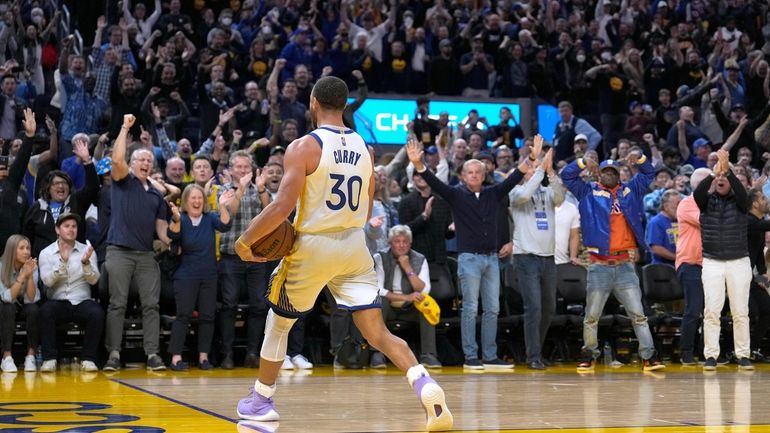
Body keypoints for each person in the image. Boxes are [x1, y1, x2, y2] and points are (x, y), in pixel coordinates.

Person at [233, 76, 452, 432]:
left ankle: (261, 400)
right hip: (353, 245)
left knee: (279, 324)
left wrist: (245, 241)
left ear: (314, 103)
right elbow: (366, 212)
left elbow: (281, 206)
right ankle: (425, 383)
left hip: (312, 244)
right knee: (377, 333)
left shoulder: (304, 146)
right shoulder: (366, 150)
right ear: (346, 104)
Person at [406, 134, 542, 371]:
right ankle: (470, 357)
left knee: (493, 308)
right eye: (470, 172)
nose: (475, 176)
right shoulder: (456, 194)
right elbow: (434, 182)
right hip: (468, 259)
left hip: (491, 258)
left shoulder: (493, 193)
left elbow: (515, 178)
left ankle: (489, 356)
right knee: (470, 307)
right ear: (462, 176)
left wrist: (532, 157)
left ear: (484, 175)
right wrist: (419, 164)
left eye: (478, 172)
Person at [561, 152, 665, 372]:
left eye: (613, 172)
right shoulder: (588, 191)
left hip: (624, 264)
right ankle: (589, 354)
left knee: (638, 315)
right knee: (591, 316)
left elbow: (648, 173)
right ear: (599, 173)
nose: (609, 175)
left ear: (619, 174)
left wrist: (640, 159)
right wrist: (581, 162)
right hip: (599, 265)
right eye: (605, 171)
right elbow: (567, 176)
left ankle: (649, 356)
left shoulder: (630, 191)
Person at [103, 114, 170, 372]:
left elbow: (162, 231)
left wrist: (176, 239)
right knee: (117, 303)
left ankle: (152, 354)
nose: (145, 163)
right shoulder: (123, 180)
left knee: (151, 304)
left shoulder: (155, 193)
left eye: (149, 161)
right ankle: (114, 354)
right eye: (141, 159)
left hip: (145, 254)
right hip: (119, 250)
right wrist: (124, 127)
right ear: (132, 164)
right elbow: (116, 159)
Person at [696, 149, 753, 371]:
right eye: (718, 177)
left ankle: (743, 354)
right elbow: (697, 193)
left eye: (724, 177)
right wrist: (714, 171)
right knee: (711, 310)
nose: (721, 179)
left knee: (740, 311)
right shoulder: (705, 202)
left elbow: (743, 195)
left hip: (739, 261)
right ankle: (711, 355)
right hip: (712, 262)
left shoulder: (741, 203)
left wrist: (727, 170)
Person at [166, 184, 234, 371]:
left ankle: (203, 357)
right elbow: (171, 233)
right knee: (183, 315)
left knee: (207, 316)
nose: (196, 201)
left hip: (209, 275)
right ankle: (176, 358)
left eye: (199, 198)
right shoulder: (182, 219)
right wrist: (176, 218)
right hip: (186, 275)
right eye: (192, 198)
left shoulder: (210, 218)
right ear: (186, 201)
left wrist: (221, 205)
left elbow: (226, 225)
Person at [509, 147, 564, 370]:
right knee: (534, 307)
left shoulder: (546, 191)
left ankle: (536, 351)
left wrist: (550, 173)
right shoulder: (515, 192)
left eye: (537, 167)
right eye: (531, 167)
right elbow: (524, 196)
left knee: (549, 307)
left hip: (548, 258)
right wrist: (541, 170)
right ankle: (533, 356)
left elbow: (560, 197)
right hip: (525, 258)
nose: (535, 170)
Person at [37, 213, 102, 373]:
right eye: (67, 226)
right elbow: (47, 281)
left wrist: (86, 263)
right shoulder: (46, 253)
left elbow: (94, 280)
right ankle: (49, 359)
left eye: (74, 226)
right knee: (45, 311)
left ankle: (89, 359)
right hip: (58, 301)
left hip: (81, 301)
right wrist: (62, 264)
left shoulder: (87, 250)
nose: (71, 230)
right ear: (57, 230)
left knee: (96, 312)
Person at [373, 225, 441, 368]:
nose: (401, 245)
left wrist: (408, 268)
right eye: (397, 241)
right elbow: (377, 289)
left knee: (426, 305)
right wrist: (405, 297)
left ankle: (429, 356)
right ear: (390, 243)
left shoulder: (419, 259)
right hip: (388, 308)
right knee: (380, 301)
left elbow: (424, 290)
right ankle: (377, 355)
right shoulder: (380, 257)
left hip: (409, 309)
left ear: (410, 244)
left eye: (405, 242)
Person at [675, 168, 711, 365]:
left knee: (710, 310)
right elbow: (705, 222)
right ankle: (686, 352)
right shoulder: (687, 203)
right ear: (700, 185)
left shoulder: (710, 203)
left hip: (710, 264)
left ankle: (707, 352)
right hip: (690, 263)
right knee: (694, 308)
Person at [0, 235, 39, 373]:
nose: (26, 252)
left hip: (23, 304)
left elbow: (31, 298)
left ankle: (31, 355)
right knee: (8, 308)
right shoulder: (1, 267)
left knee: (33, 309)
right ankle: (6, 356)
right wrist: (21, 276)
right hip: (5, 307)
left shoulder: (31, 266)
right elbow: (6, 298)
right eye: (21, 248)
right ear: (12, 250)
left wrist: (29, 276)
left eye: (28, 248)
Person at [645, 189, 681, 266]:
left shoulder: (681, 220)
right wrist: (678, 258)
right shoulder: (656, 222)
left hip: (680, 266)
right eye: (677, 204)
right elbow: (656, 249)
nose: (680, 207)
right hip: (663, 269)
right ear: (666, 206)